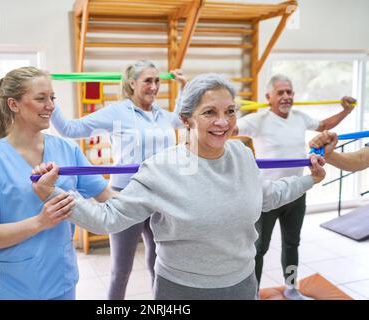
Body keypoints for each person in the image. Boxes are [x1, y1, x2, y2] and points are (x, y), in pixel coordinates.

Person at [32, 73, 326, 300]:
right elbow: (106, 218)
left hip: (242, 284)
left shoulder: (242, 155)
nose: (223, 122)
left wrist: (309, 179)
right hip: (182, 290)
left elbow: (268, 196)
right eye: (210, 112)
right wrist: (52, 193)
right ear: (186, 120)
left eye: (230, 111)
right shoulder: (162, 168)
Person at [0, 66, 112, 300]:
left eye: (52, 98)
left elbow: (107, 196)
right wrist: (41, 221)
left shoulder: (67, 150)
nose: (50, 105)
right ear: (14, 104)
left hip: (61, 281)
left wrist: (155, 198)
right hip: (12, 287)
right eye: (41, 99)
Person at [50, 59, 187, 299]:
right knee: (121, 271)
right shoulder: (118, 112)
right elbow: (70, 130)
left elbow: (182, 118)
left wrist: (183, 87)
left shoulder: (162, 115)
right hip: (124, 197)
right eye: (148, 81)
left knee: (160, 267)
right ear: (132, 83)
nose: (154, 87)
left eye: (157, 81)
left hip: (161, 197)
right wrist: (50, 100)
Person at [234, 74, 356, 299]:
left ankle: (291, 287)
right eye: (280, 92)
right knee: (258, 249)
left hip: (296, 193)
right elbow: (229, 130)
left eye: (289, 92)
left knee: (292, 244)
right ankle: (251, 294)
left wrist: (346, 111)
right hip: (267, 197)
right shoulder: (257, 120)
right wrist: (226, 110)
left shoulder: (299, 117)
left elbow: (325, 125)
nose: (286, 96)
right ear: (268, 96)